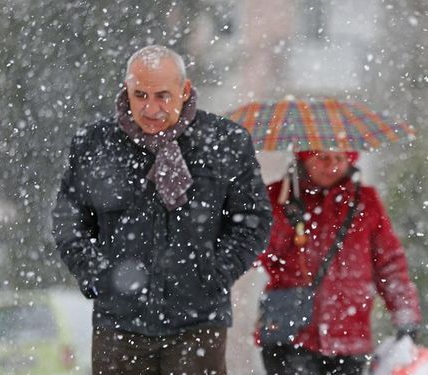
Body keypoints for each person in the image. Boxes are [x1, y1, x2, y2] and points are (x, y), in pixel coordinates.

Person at [52, 45, 272, 375]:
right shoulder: (94, 144)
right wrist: (97, 275)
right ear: (126, 88)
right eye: (140, 94)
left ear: (184, 91)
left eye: (162, 96)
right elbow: (69, 222)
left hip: (198, 324)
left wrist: (216, 273)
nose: (150, 108)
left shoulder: (226, 142)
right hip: (119, 325)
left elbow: (253, 221)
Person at [256, 150, 422, 375]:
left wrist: (406, 316)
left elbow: (389, 264)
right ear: (305, 158)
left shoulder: (365, 201)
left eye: (339, 159)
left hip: (349, 337)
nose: (331, 166)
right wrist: (285, 217)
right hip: (289, 334)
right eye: (322, 158)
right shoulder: (279, 196)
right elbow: (257, 253)